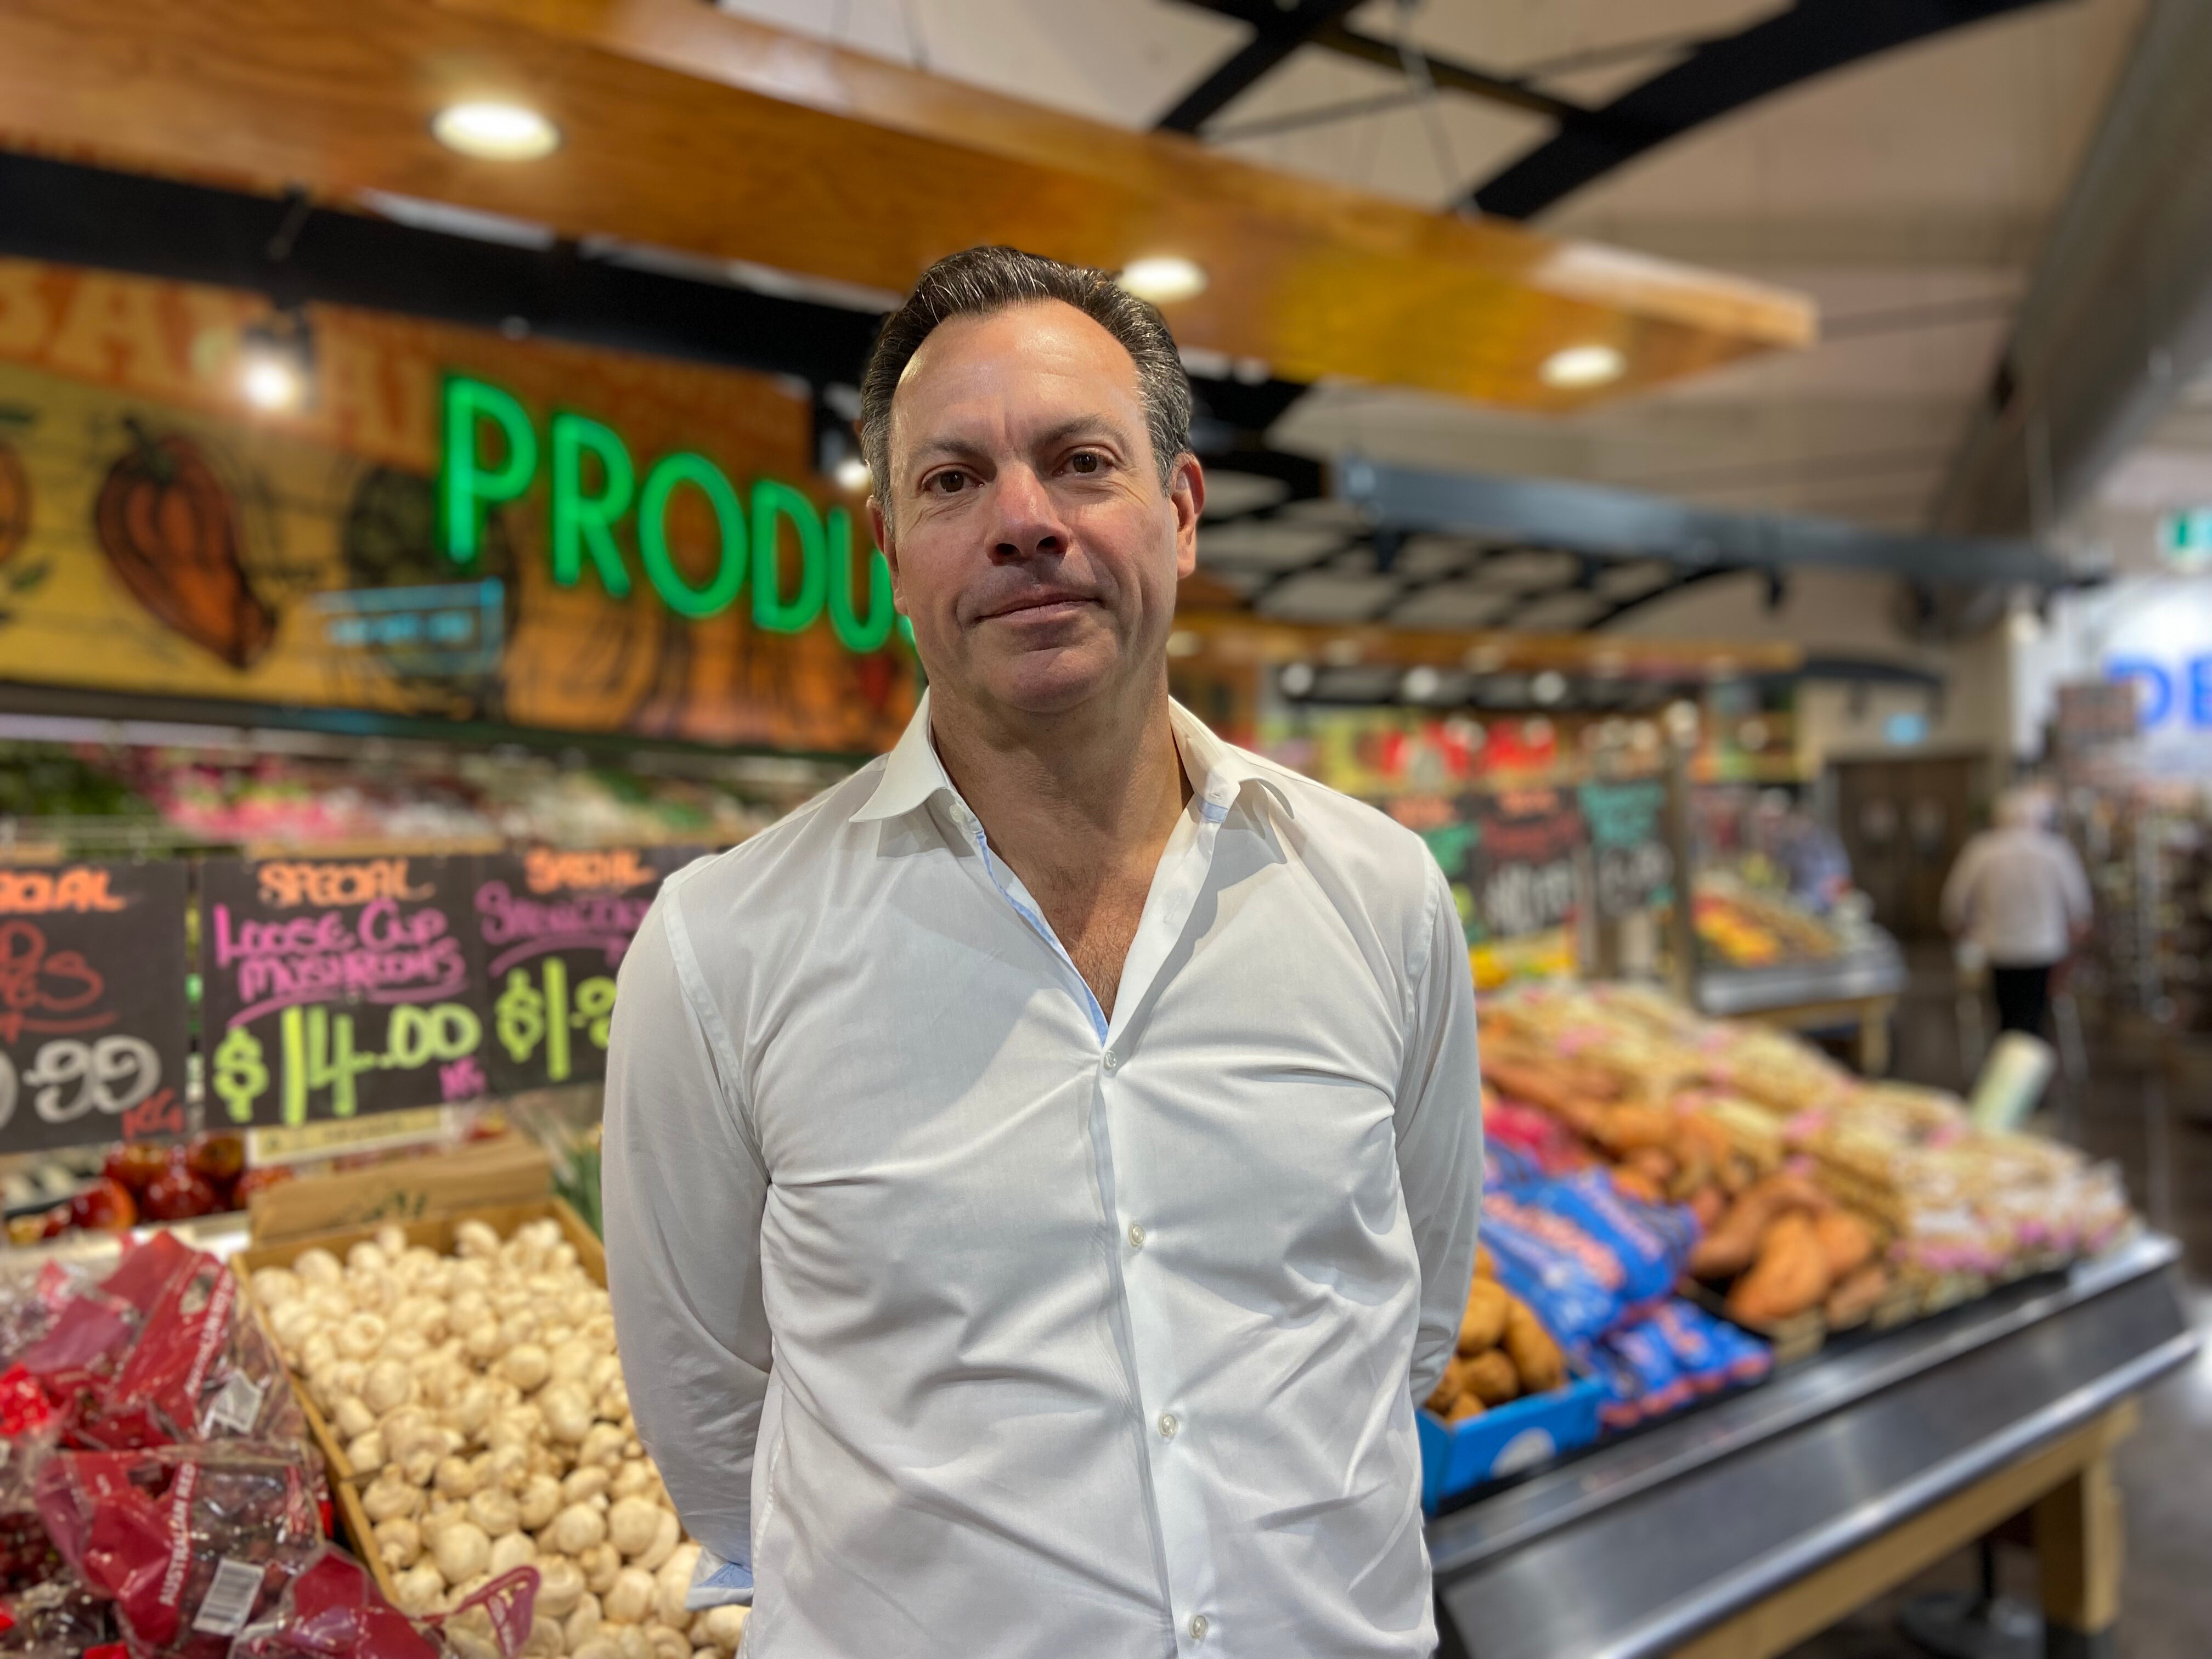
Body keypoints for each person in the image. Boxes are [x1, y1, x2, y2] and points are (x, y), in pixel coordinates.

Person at [601, 246, 1483, 1658]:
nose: (1025, 521)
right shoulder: (724, 950)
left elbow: (1413, 1325)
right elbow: (712, 1421)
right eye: (952, 481)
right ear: (887, 553)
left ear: (1182, 512)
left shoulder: (1377, 892)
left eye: (1081, 461)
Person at [1940, 784, 2092, 1039]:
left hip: (1996, 947)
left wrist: (1959, 931)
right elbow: (2079, 905)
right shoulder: (2054, 850)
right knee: (2035, 1013)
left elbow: (1955, 901)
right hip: (2045, 948)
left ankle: (2012, 1057)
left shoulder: (1982, 850)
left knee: (2006, 1012)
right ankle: (2029, 1060)